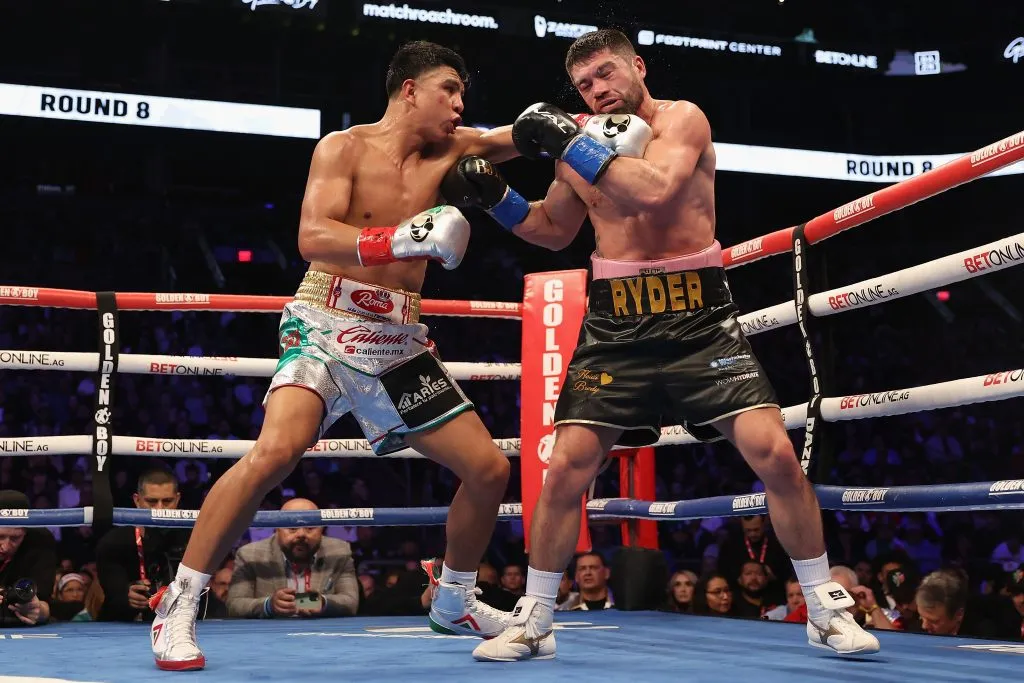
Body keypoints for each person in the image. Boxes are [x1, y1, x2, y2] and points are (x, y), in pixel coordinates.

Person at [440, 29, 880, 661]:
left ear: (637, 66)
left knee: (775, 454)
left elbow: (654, 189)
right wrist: (497, 199)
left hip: (698, 313)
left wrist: (567, 138)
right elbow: (554, 229)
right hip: (616, 321)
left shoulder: (682, 120)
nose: (597, 89)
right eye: (585, 84)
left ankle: (822, 606)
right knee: (564, 468)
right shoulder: (580, 145)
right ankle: (535, 617)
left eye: (606, 73)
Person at [149, 40, 520, 670]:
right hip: (326, 320)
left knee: (488, 470)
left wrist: (603, 118)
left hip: (399, 342)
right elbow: (312, 234)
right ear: (409, 89)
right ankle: (179, 603)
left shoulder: (460, 149)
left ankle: (453, 598)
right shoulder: (342, 147)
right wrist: (404, 236)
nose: (460, 105)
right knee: (274, 453)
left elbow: (533, 136)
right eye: (449, 90)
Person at [226, 498, 359, 618]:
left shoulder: (339, 551)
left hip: (321, 634)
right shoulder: (250, 554)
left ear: (322, 529)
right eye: (292, 527)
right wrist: (268, 605)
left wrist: (323, 602)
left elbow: (351, 602)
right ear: (276, 529)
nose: (301, 534)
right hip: (270, 636)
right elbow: (235, 604)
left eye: (310, 527)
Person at [0, 490, 54, 627]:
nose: (5, 547)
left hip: (20, 624)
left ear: (25, 532)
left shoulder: (40, 542)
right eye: (0, 537)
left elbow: (43, 604)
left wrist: (38, 611)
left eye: (15, 538)